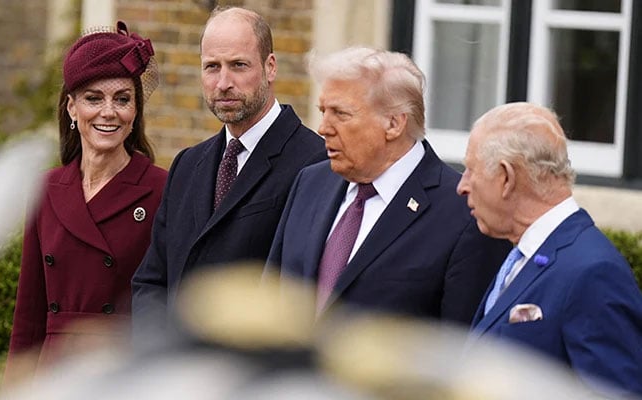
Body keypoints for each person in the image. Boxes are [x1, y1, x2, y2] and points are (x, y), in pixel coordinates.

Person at [264, 46, 511, 323]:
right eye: (323, 111)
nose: (324, 128)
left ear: (394, 124)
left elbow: (461, 348)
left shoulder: (465, 213)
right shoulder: (310, 183)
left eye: (340, 114)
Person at [131, 7, 326, 338]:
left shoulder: (315, 163)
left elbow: (302, 292)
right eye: (212, 67)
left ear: (270, 67)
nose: (223, 83)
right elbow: (152, 279)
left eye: (238, 65)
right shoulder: (187, 165)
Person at [5, 21, 167, 382]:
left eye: (122, 99)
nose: (108, 112)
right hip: (52, 372)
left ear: (135, 110)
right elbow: (29, 313)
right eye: (94, 98)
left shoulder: (162, 189)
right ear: (72, 108)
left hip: (121, 374)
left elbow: (168, 307)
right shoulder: (45, 189)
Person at [458, 102, 642, 396]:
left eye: (471, 170)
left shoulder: (592, 272)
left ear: (506, 178)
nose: (462, 186)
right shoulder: (526, 253)